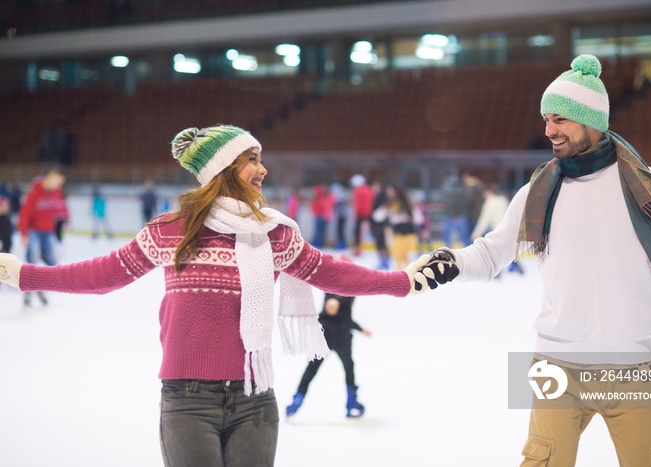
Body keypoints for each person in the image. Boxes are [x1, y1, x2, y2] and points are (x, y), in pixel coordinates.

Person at [0, 125, 417, 467]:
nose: (263, 169)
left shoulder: (275, 234)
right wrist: (26, 275)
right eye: (252, 159)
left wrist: (403, 281)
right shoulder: (172, 230)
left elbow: (334, 274)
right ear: (223, 167)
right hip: (186, 400)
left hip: (255, 398)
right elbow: (103, 275)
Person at [407, 55, 651, 466]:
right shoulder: (540, 189)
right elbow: (494, 251)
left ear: (591, 118)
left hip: (633, 369)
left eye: (559, 119)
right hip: (555, 367)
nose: (548, 130)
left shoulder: (649, 186)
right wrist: (452, 261)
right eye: (546, 119)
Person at [285, 263, 373, 418]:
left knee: (315, 367)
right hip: (339, 336)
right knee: (347, 367)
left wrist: (359, 328)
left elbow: (344, 315)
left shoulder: (333, 284)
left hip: (327, 333)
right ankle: (351, 401)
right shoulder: (344, 289)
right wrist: (335, 303)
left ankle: (298, 398)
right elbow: (333, 304)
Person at [18, 167, 68, 307]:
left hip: (48, 232)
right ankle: (29, 292)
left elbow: (57, 211)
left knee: (51, 263)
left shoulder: (57, 191)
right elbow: (24, 214)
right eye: (57, 181)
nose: (59, 185)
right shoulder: (34, 192)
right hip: (34, 231)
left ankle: (39, 288)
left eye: (61, 183)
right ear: (49, 177)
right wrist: (24, 234)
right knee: (32, 260)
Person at [470, 183, 523, 276]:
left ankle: (498, 273)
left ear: (489, 192)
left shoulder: (490, 202)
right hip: (507, 228)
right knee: (508, 249)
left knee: (497, 252)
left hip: (497, 229)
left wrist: (476, 234)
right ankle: (517, 267)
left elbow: (484, 220)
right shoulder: (502, 200)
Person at [372, 184, 424, 271]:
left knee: (404, 255)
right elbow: (377, 217)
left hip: (409, 234)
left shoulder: (407, 204)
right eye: (388, 192)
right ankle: (403, 275)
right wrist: (387, 210)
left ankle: (409, 274)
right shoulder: (389, 205)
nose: (389, 194)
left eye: (391, 191)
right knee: (397, 256)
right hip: (397, 233)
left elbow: (419, 219)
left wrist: (405, 216)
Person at [440, 174, 469, 248]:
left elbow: (454, 204)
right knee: (463, 236)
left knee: (449, 236)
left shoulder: (448, 190)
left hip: (453, 215)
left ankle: (447, 251)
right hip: (455, 215)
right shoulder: (462, 189)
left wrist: (455, 216)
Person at [350, 174, 374, 256]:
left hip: (361, 215)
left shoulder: (359, 191)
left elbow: (360, 205)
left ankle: (358, 249)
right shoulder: (369, 189)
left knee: (358, 232)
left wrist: (360, 214)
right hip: (367, 214)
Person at [330, 182, 348, 249]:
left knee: (340, 230)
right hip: (341, 217)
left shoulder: (339, 198)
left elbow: (338, 208)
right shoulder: (340, 197)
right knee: (340, 230)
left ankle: (341, 243)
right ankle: (340, 243)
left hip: (341, 217)